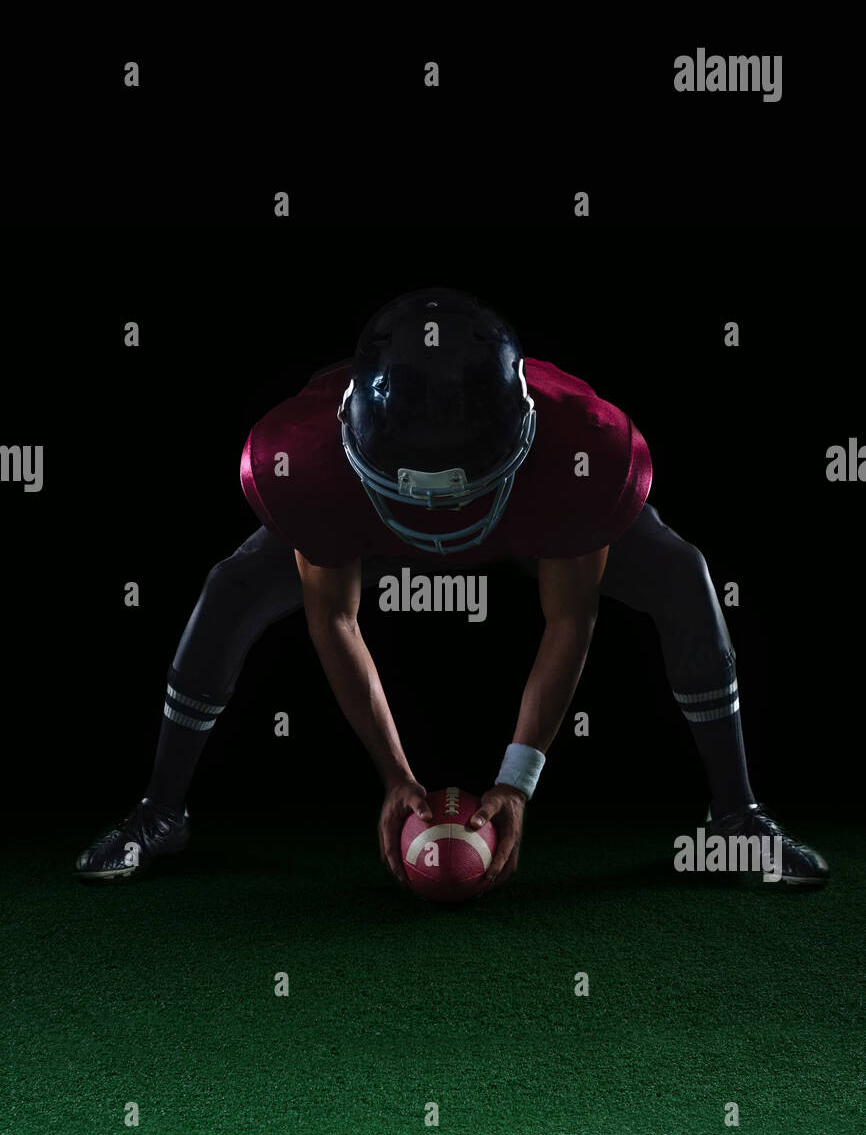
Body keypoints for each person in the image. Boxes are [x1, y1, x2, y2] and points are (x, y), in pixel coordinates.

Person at [76, 288, 828, 889]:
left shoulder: (580, 450)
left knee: (681, 573)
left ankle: (736, 817)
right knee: (233, 586)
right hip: (372, 518)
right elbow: (334, 618)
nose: (438, 524)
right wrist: (397, 778)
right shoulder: (306, 462)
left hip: (530, 516)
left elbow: (568, 618)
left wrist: (516, 784)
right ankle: (159, 814)